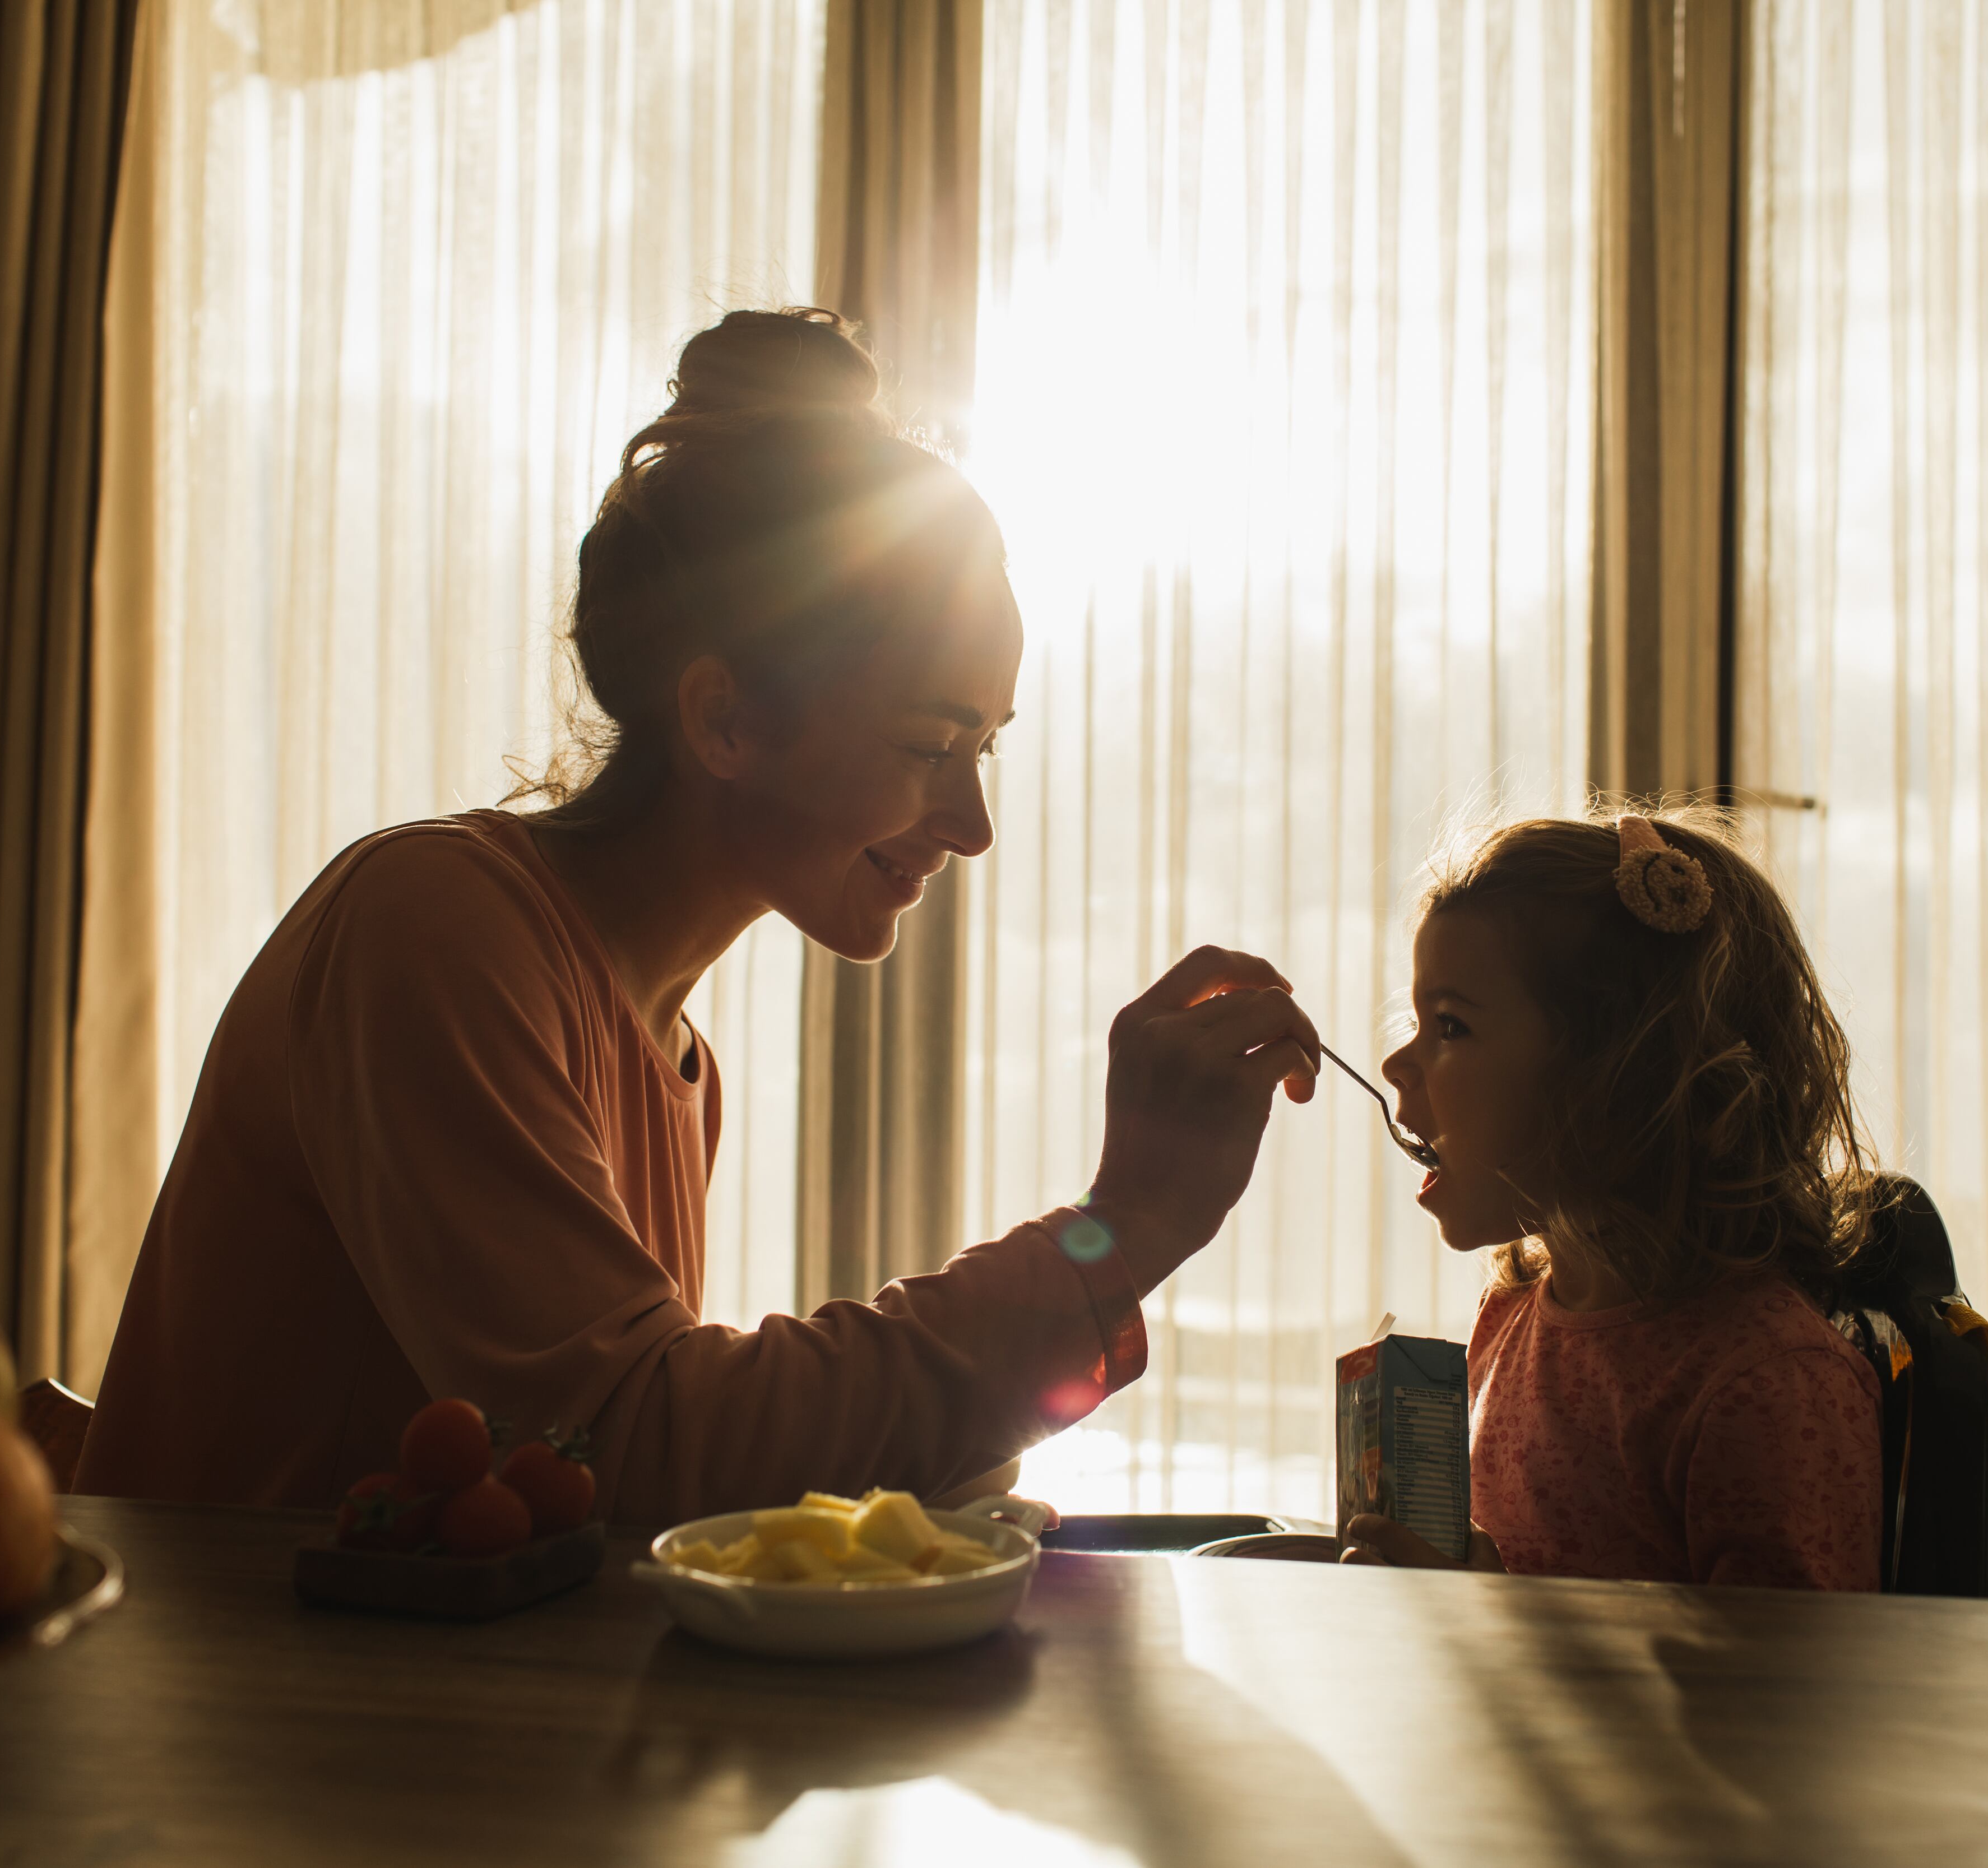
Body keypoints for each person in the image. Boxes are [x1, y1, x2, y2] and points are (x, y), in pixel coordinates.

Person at [78, 309, 1319, 1523]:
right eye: (930, 741)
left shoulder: (677, 1062)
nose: (972, 822)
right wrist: (1123, 1230)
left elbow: (609, 1495)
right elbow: (635, 1446)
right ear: (723, 717)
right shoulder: (433, 927)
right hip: (242, 1717)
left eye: (985, 745)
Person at [1341, 810, 1884, 1589]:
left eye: (1451, 1025)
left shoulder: (1764, 1383)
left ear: (1621, 1078)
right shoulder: (1511, 1323)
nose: (1396, 1062)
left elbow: (1788, 1706)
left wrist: (1496, 1615)